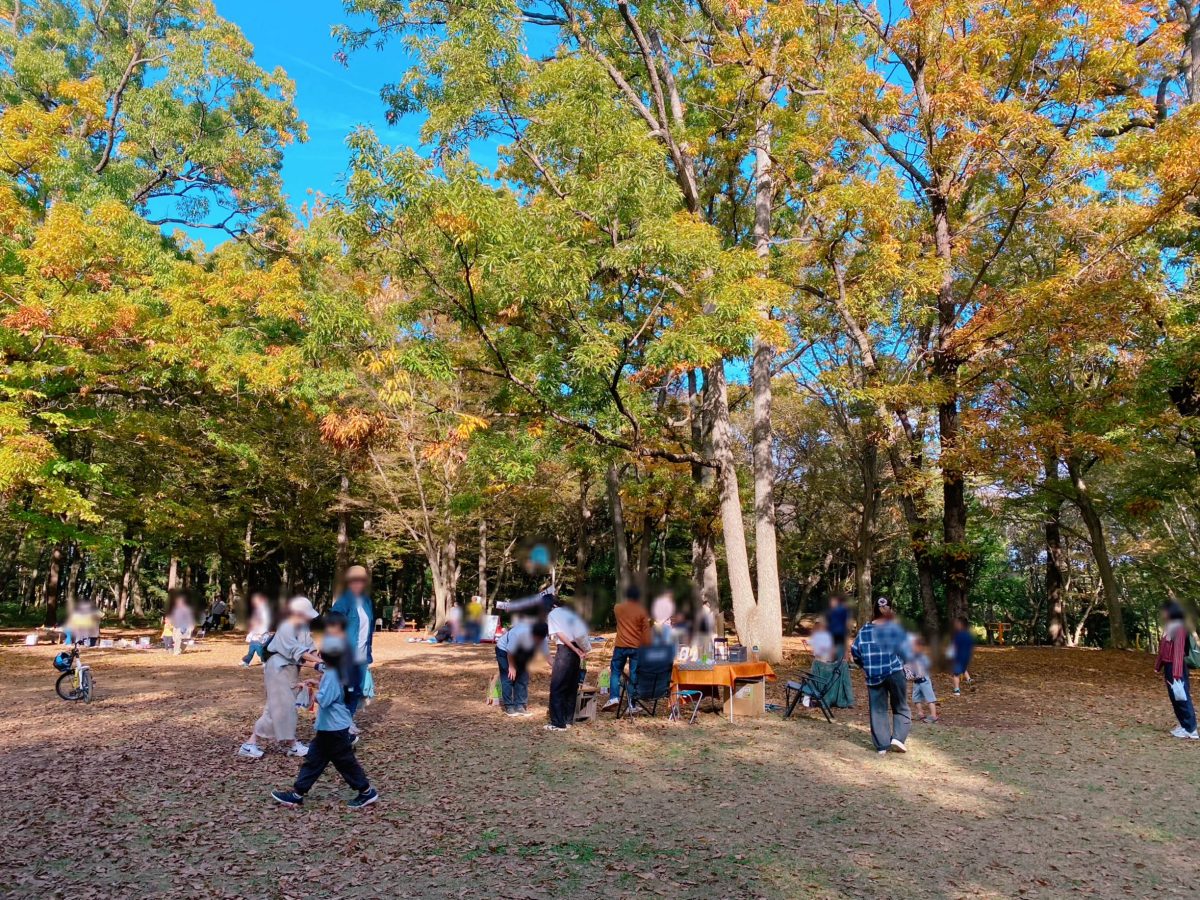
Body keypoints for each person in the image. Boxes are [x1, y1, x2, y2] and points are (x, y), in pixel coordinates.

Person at [271, 613, 379, 809]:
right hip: (330, 727)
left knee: (345, 762)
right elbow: (332, 687)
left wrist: (309, 690)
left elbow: (325, 699)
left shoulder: (331, 674)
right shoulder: (337, 671)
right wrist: (316, 683)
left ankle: (366, 791)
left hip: (334, 728)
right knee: (314, 760)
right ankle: (297, 793)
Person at [238, 596, 322, 759]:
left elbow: (309, 650)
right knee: (281, 707)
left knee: (283, 707)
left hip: (291, 669)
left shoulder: (302, 627)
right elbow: (297, 651)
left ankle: (287, 744)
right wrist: (320, 663)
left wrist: (322, 662)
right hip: (278, 669)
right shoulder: (286, 627)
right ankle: (253, 743)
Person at [851, 597, 913, 755]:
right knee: (900, 706)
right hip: (894, 672)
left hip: (873, 674)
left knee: (878, 710)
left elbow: (855, 652)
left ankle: (882, 746)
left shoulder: (864, 630)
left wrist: (863, 666)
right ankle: (898, 739)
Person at [331, 565, 374, 723]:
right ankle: (341, 724)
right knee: (346, 691)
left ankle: (348, 722)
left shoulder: (366, 601)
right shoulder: (344, 601)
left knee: (357, 690)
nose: (358, 584)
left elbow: (368, 630)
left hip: (362, 655)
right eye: (354, 580)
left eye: (361, 580)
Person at [545, 595, 590, 731]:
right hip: (576, 651)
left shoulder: (553, 614)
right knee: (571, 686)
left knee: (557, 687)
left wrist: (574, 648)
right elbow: (581, 633)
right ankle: (568, 720)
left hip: (565, 651)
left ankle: (558, 723)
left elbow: (560, 634)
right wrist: (583, 649)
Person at [1155, 602, 1198, 740]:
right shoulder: (1169, 627)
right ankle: (1183, 724)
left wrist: (1177, 673)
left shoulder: (1179, 628)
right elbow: (1163, 650)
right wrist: (1158, 666)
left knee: (1182, 697)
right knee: (1175, 698)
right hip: (1169, 666)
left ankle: (1191, 729)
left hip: (1176, 667)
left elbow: (1179, 651)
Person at [605, 585, 650, 710]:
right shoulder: (642, 611)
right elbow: (646, 632)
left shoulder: (618, 608)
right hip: (636, 647)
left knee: (615, 671)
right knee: (634, 674)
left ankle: (614, 698)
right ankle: (632, 703)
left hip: (620, 645)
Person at [495, 619, 549, 716]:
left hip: (521, 654)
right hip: (504, 651)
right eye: (536, 638)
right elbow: (510, 651)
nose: (537, 641)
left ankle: (519, 705)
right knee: (509, 677)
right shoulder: (519, 633)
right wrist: (511, 666)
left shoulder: (542, 637)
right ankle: (509, 706)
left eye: (540, 639)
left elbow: (547, 654)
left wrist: (556, 666)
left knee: (523, 677)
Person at [907, 635, 939, 724]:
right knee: (915, 698)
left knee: (930, 699)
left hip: (924, 680)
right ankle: (920, 713)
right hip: (916, 682)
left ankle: (934, 715)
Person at [241, 592, 273, 668]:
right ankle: (246, 661)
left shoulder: (264, 610)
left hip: (260, 637)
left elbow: (265, 622)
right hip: (254, 637)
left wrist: (262, 633)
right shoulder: (257, 611)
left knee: (260, 651)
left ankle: (265, 661)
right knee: (251, 651)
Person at [950, 616, 975, 695]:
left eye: (957, 624)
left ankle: (957, 690)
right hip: (966, 657)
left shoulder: (958, 636)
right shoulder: (968, 635)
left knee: (956, 674)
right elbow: (970, 646)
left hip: (958, 658)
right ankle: (969, 680)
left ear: (960, 625)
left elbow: (954, 647)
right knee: (963, 669)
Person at [168, 590, 195, 656]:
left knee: (180, 639)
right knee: (176, 639)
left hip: (183, 626)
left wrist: (192, 626)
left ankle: (176, 651)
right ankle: (179, 650)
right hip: (176, 626)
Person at [827, 595, 850, 659]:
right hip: (834, 632)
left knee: (844, 646)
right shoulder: (831, 612)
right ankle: (833, 660)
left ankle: (845, 661)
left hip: (841, 631)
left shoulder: (842, 610)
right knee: (833, 647)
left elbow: (846, 621)